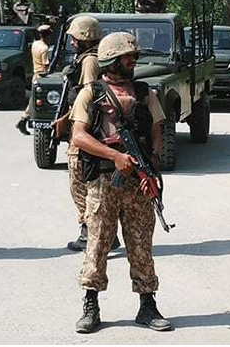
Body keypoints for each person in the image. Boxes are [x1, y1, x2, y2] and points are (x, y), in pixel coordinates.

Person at [70, 32, 171, 334]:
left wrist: (151, 161)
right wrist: (114, 156)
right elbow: (78, 136)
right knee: (98, 242)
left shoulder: (144, 92)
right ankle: (91, 304)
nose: (134, 61)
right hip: (104, 182)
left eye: (134, 56)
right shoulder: (91, 93)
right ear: (112, 59)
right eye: (129, 57)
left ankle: (147, 305)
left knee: (141, 244)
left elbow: (157, 125)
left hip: (138, 182)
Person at [55, 15, 120, 252]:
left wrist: (66, 120)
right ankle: (101, 232)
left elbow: (90, 96)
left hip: (84, 129)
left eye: (74, 38)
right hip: (82, 124)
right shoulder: (88, 58)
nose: (71, 42)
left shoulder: (90, 62)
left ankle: (90, 232)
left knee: (79, 182)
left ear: (83, 38)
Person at [16, 24, 52, 135]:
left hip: (35, 75)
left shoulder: (35, 44)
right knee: (39, 101)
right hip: (42, 76)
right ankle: (25, 119)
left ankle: (24, 119)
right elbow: (46, 66)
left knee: (33, 99)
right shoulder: (44, 48)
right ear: (48, 35)